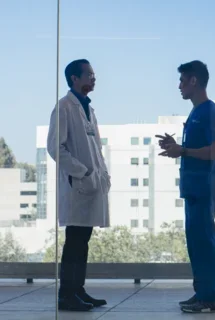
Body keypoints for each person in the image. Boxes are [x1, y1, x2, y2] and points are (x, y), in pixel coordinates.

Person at [157, 60, 215, 313]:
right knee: (196, 244)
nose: (179, 86)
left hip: (204, 189)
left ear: (194, 81)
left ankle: (210, 297)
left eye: (182, 80)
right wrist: (176, 146)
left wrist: (182, 150)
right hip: (193, 190)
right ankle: (202, 294)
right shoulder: (195, 113)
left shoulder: (210, 111)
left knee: (205, 243)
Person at [47, 59, 111, 312]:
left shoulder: (88, 109)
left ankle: (78, 290)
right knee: (74, 241)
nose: (94, 78)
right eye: (89, 74)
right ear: (74, 78)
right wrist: (82, 172)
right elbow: (55, 147)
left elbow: (96, 148)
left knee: (82, 240)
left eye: (94, 74)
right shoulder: (64, 107)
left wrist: (102, 175)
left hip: (91, 185)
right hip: (78, 186)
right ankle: (66, 294)